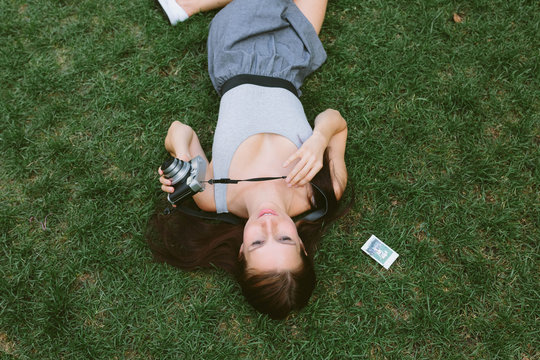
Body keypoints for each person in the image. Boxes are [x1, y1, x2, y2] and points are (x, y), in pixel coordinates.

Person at [147, 0, 350, 319]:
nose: (268, 224)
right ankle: (187, 4)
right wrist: (319, 138)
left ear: (241, 251)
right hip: (292, 58)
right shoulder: (322, 190)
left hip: (235, 52)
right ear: (302, 245)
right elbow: (335, 120)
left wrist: (182, 156)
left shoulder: (214, 197)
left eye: (257, 243)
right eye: (283, 238)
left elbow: (179, 130)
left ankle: (186, 4)